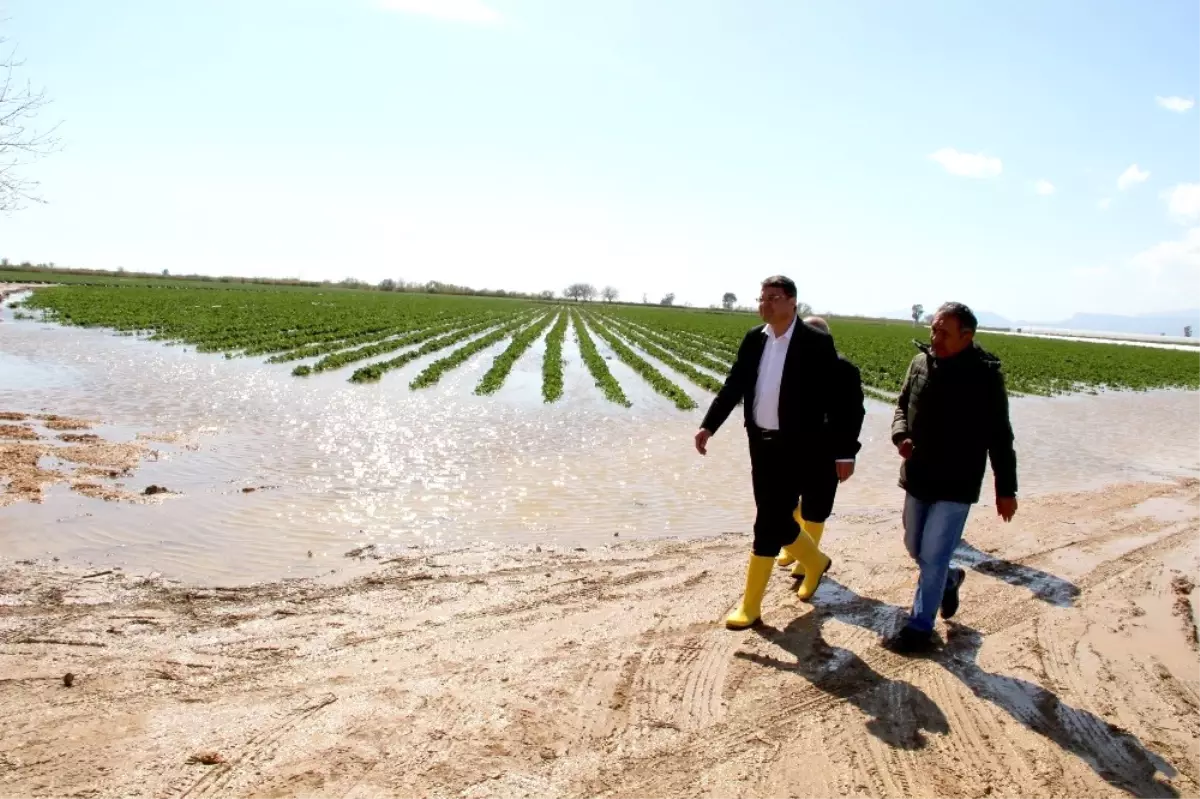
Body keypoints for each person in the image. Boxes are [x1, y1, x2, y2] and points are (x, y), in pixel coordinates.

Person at [694, 277, 865, 630]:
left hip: (799, 445)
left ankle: (751, 606)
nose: (765, 304)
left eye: (773, 298)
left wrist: (845, 452)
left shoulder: (816, 343)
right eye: (762, 298)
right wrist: (709, 425)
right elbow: (734, 384)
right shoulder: (754, 339)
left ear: (792, 302)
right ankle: (815, 562)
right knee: (772, 516)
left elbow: (843, 402)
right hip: (760, 443)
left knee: (767, 520)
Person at [885, 301, 1019, 653]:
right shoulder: (920, 363)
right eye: (933, 329)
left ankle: (919, 626)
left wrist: (1005, 488)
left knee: (934, 554)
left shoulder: (985, 375)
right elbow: (901, 405)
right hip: (918, 473)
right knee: (914, 545)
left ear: (967, 336)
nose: (935, 337)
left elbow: (1000, 436)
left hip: (957, 481)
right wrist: (901, 436)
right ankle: (948, 582)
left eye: (943, 332)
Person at [774, 316, 865, 579]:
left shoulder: (844, 371)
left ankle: (808, 559)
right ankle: (793, 548)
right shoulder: (787, 366)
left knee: (816, 506)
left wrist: (847, 454)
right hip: (790, 447)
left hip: (826, 450)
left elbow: (854, 414)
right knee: (787, 502)